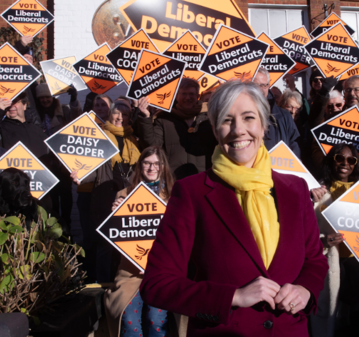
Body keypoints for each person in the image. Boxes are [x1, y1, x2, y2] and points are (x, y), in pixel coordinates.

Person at [139, 80, 328, 336]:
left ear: (263, 125)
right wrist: (233, 297)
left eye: (248, 117)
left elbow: (314, 261)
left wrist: (306, 289)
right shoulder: (191, 193)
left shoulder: (295, 189)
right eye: (227, 120)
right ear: (216, 131)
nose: (238, 130)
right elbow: (156, 285)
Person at [309, 144, 359, 337]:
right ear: (331, 160)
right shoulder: (318, 193)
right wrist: (324, 241)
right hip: (330, 258)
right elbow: (306, 231)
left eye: (351, 160)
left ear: (355, 164)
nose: (345, 164)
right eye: (339, 158)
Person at [104, 146, 176, 337]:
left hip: (161, 271)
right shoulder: (123, 194)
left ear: (163, 166)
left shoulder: (174, 196)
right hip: (130, 272)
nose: (152, 167)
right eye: (147, 162)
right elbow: (114, 238)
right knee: (128, 322)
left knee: (156, 321)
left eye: (157, 163)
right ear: (140, 165)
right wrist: (115, 217)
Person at [73, 101, 141, 282]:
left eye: (125, 114)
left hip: (127, 196)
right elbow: (93, 169)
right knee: (106, 242)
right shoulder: (100, 138)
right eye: (116, 114)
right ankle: (103, 282)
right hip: (105, 196)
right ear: (109, 116)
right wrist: (80, 176)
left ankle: (120, 278)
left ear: (129, 118)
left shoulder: (133, 141)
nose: (120, 118)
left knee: (123, 240)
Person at [136, 78, 217, 180]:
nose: (187, 97)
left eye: (191, 94)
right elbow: (152, 145)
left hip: (204, 178)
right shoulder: (164, 118)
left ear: (197, 96)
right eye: (183, 94)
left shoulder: (210, 118)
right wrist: (145, 117)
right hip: (174, 180)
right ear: (177, 97)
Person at [35, 83, 81, 228]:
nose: (45, 100)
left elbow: (77, 116)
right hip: (44, 161)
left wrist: (74, 98)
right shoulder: (35, 114)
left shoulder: (64, 111)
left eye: (47, 97)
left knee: (66, 196)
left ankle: (66, 228)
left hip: (62, 161)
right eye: (41, 97)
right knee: (51, 199)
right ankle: (52, 229)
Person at [253, 67, 301, 157]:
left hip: (279, 170)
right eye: (255, 85)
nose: (260, 89)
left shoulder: (284, 115)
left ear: (268, 85)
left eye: (263, 85)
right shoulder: (240, 115)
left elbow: (294, 145)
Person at [309, 90, 345, 175]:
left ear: (343, 104)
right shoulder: (320, 125)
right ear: (325, 108)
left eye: (338, 105)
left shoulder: (353, 122)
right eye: (330, 106)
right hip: (328, 173)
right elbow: (316, 152)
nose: (334, 108)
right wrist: (328, 167)